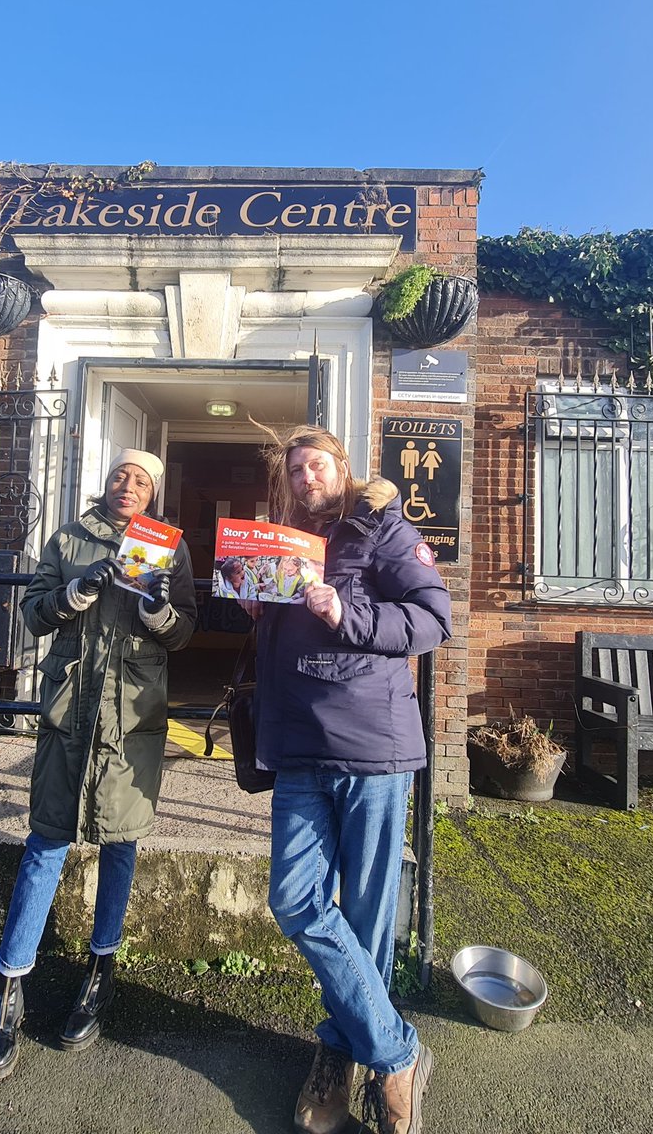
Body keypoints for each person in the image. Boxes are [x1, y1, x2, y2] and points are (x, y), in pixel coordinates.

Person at [243, 425, 451, 1134]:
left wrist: (347, 610)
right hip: (299, 746)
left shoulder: (382, 529)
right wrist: (256, 612)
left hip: (372, 746)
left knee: (366, 915)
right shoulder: (284, 543)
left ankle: (339, 1055)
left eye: (316, 464)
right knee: (295, 899)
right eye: (295, 470)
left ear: (342, 467)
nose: (305, 477)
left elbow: (430, 620)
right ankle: (395, 1052)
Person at [0, 448, 197, 1081]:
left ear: (154, 493)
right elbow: (33, 611)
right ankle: (9, 987)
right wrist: (75, 592)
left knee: (121, 844)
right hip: (70, 712)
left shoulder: (170, 546)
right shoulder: (69, 537)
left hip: (130, 717)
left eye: (142, 480)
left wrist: (157, 611)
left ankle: (101, 969)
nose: (129, 486)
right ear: (107, 482)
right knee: (46, 839)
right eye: (121, 475)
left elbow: (184, 631)